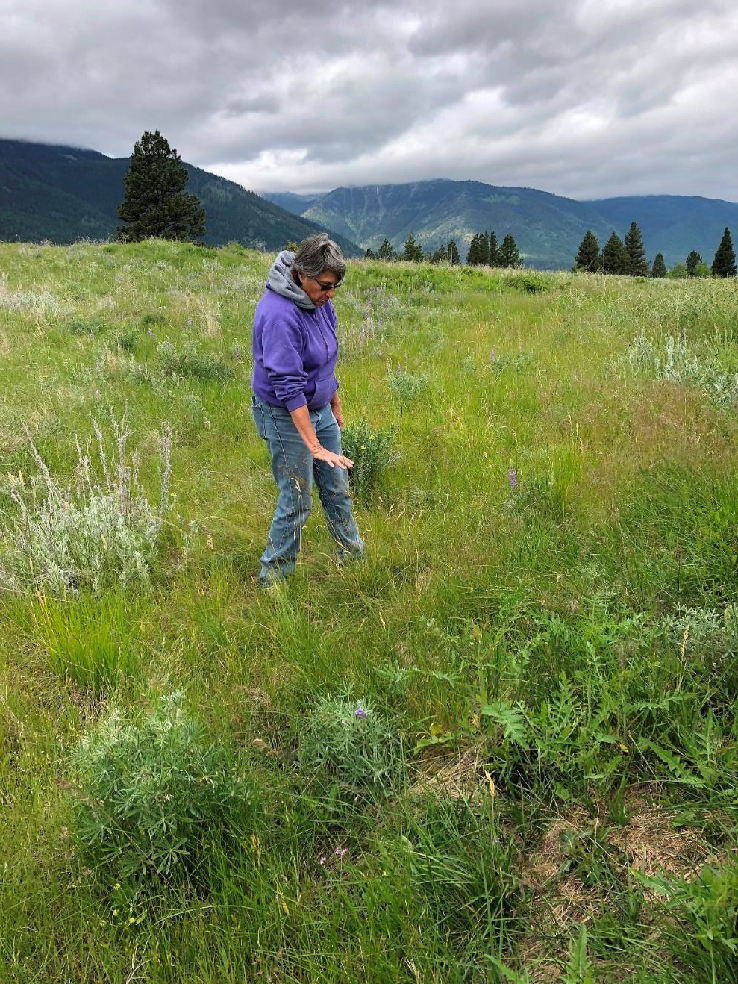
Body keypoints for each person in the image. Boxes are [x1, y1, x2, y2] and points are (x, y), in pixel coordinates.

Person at [251, 233, 364, 585]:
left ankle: (354, 559)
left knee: (336, 486)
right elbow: (288, 387)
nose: (330, 295)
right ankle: (273, 581)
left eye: (335, 287)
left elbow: (324, 357)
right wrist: (313, 445)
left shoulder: (319, 303)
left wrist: (334, 399)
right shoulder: (279, 315)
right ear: (302, 274)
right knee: (298, 496)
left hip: (316, 406)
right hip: (284, 412)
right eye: (326, 286)